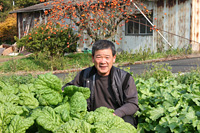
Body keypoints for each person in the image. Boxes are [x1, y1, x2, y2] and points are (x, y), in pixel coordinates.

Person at [62, 40, 139, 127]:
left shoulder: (125, 78)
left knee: (128, 121)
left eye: (107, 57)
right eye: (98, 57)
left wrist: (115, 114)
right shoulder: (84, 76)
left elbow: (132, 103)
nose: (103, 61)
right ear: (93, 58)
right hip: (91, 120)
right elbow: (68, 89)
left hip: (116, 119)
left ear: (114, 58)